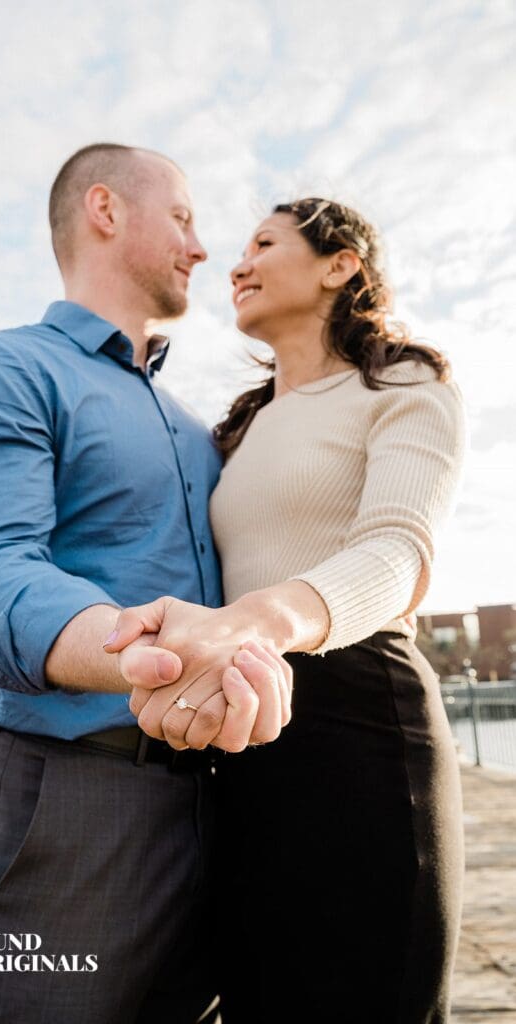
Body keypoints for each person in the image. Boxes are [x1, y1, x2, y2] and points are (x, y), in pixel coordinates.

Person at [0, 143, 293, 1024]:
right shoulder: (1, 370)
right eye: (185, 218)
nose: (204, 248)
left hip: (213, 805)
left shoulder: (195, 429)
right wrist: (148, 657)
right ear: (106, 210)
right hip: (64, 797)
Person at [105, 198, 466, 1023]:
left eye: (263, 244)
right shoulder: (242, 427)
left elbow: (397, 552)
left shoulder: (403, 384)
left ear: (340, 265)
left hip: (362, 727)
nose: (235, 265)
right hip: (242, 736)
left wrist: (256, 623)